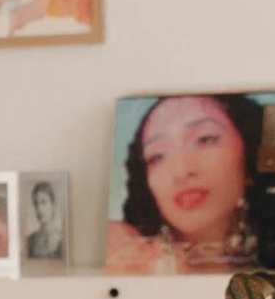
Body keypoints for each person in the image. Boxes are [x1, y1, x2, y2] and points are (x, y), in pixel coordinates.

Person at [107, 91, 265, 271]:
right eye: (157, 156)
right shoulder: (124, 259)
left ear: (250, 150)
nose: (181, 171)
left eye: (205, 139)